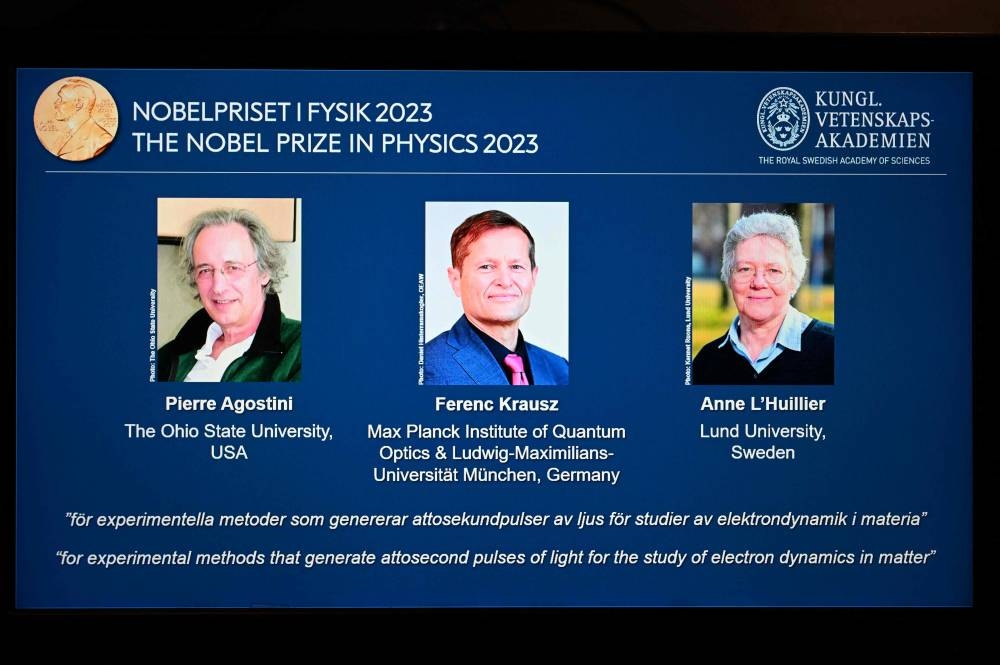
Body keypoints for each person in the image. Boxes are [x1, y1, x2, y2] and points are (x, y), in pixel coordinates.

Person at [425, 210, 569, 385]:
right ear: (456, 280)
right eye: (486, 266)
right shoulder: (426, 370)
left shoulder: (561, 370)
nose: (505, 281)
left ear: (533, 276)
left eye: (516, 266)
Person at [158, 208, 301, 382]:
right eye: (205, 270)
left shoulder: (300, 350)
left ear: (265, 272)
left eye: (233, 268)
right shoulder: (168, 356)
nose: (218, 287)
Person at [692, 212, 833, 384]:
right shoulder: (705, 363)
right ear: (729, 277)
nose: (758, 283)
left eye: (773, 270)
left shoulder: (833, 350)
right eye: (745, 269)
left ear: (794, 278)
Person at [52, 79, 114, 161]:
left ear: (79, 104)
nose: (55, 104)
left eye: (61, 100)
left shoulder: (101, 139)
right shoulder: (65, 133)